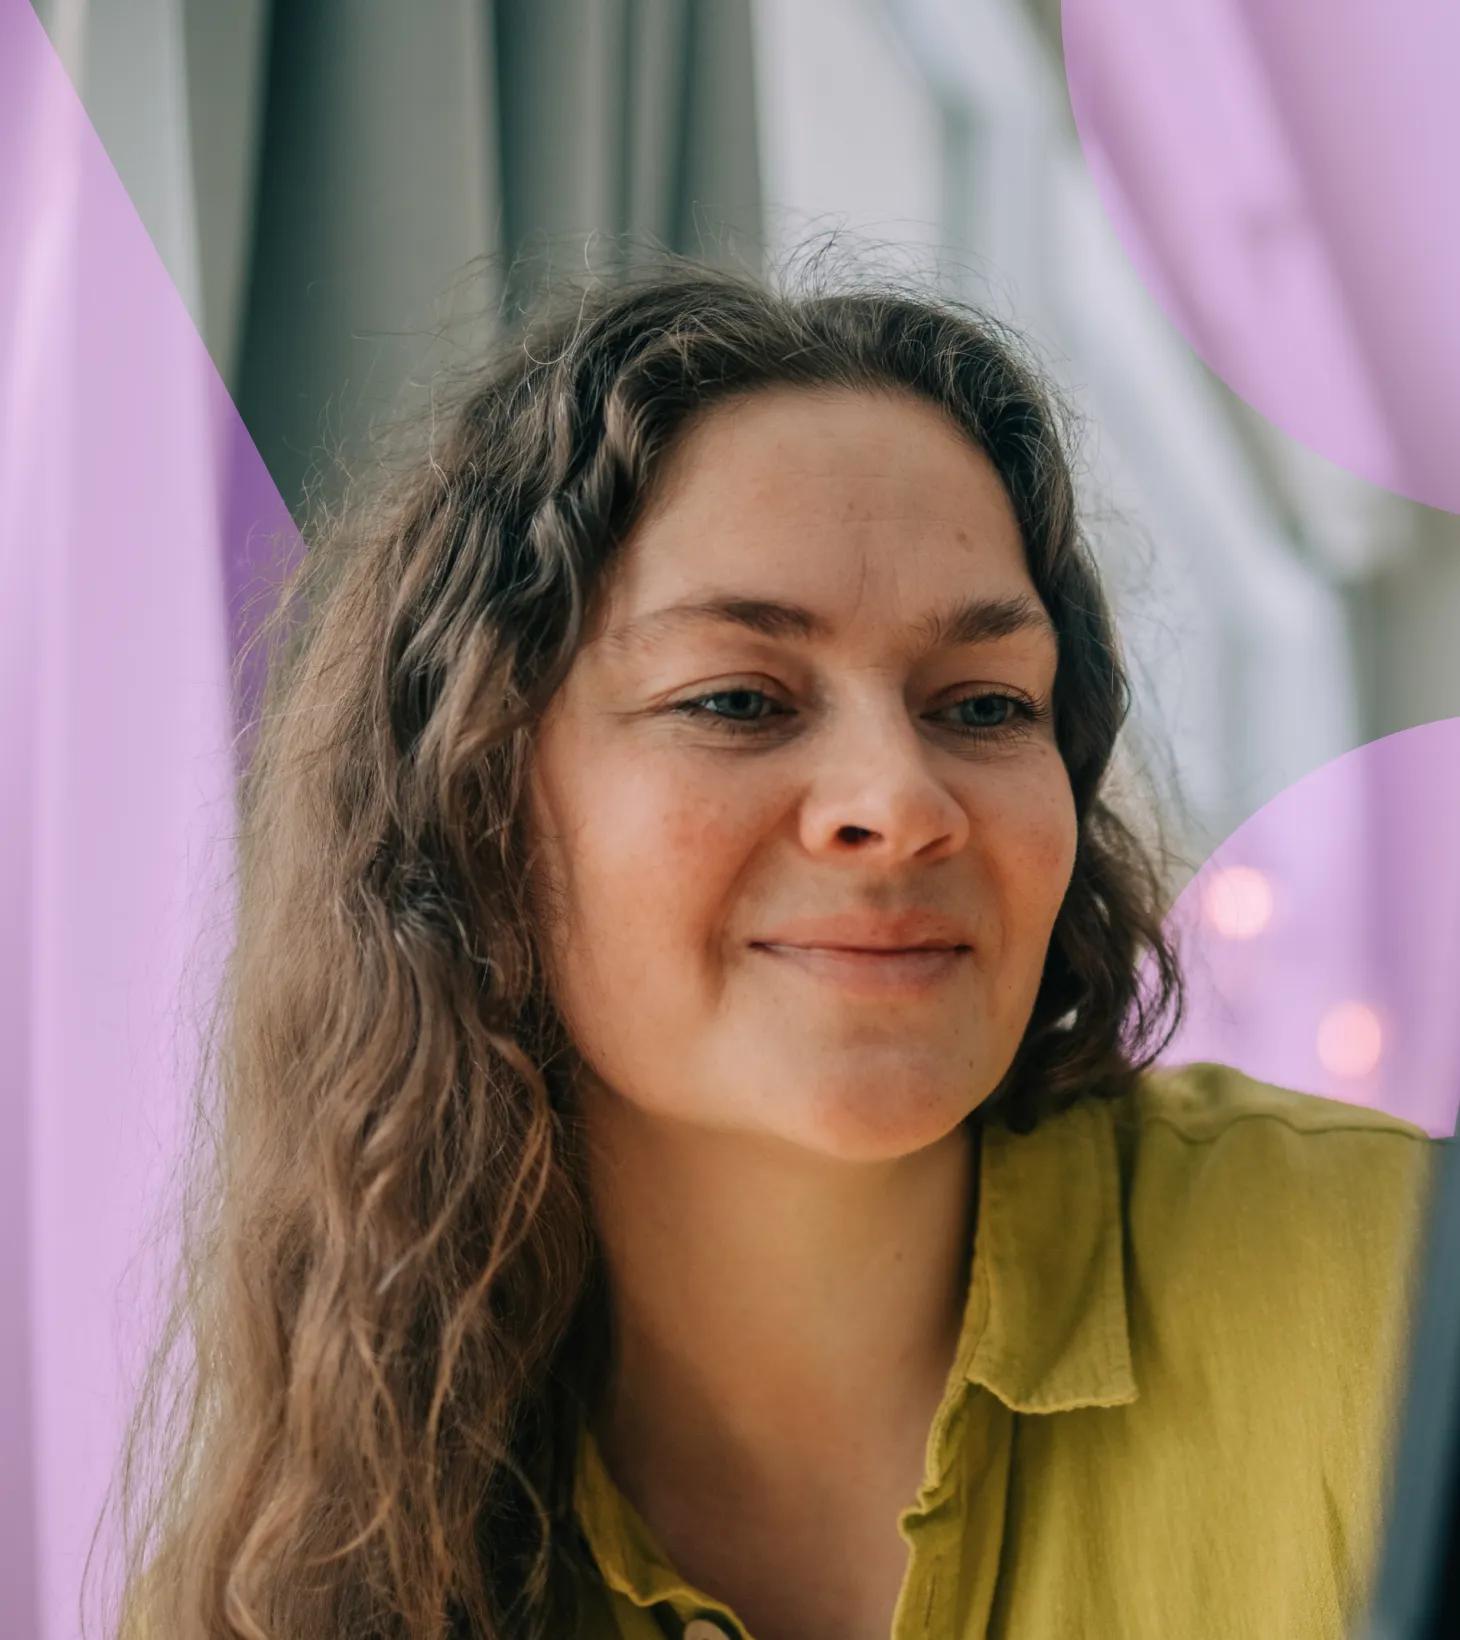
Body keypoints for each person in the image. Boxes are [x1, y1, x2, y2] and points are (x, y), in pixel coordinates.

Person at [107, 251, 1442, 1640]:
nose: (901, 803)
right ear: (479, 804)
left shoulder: (1410, 1302)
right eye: (738, 698)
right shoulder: (298, 1576)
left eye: (984, 707)